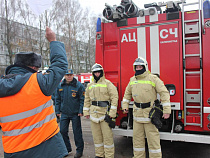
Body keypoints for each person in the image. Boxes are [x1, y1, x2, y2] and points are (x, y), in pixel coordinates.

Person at [0, 27, 68, 158]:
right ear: (32, 67)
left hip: (14, 151)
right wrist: (53, 41)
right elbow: (60, 65)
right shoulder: (38, 82)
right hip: (46, 149)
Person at [122, 57, 171, 158]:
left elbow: (164, 93)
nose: (138, 68)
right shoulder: (132, 80)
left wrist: (167, 110)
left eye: (140, 66)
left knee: (153, 141)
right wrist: (125, 106)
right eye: (137, 67)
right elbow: (127, 94)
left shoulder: (153, 78)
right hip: (137, 115)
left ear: (145, 67)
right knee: (137, 141)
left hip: (150, 115)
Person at [83, 63, 118, 158]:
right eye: (95, 72)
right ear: (92, 73)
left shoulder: (108, 83)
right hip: (94, 114)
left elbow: (114, 97)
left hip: (104, 114)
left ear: (101, 72)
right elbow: (87, 99)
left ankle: (109, 156)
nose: (97, 74)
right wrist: (86, 112)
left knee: (108, 138)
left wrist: (112, 113)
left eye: (98, 72)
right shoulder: (90, 85)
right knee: (97, 137)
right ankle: (99, 155)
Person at [55, 69, 85, 158]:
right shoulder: (60, 85)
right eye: (67, 75)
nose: (69, 76)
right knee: (62, 131)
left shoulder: (78, 86)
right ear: (64, 76)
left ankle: (79, 150)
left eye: (70, 75)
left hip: (75, 113)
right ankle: (67, 149)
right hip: (64, 113)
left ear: (73, 75)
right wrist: (57, 111)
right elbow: (57, 99)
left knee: (77, 132)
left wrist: (80, 110)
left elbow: (82, 99)